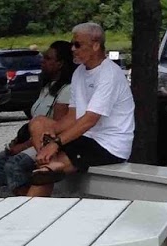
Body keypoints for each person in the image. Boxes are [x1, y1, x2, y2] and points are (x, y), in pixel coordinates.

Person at [28, 21, 135, 193]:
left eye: (77, 45)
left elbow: (90, 120)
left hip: (109, 145)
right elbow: (73, 117)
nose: (72, 49)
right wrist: (51, 133)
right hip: (85, 139)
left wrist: (55, 143)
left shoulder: (109, 74)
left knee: (42, 175)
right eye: (72, 44)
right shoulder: (79, 72)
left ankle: (49, 167)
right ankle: (50, 163)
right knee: (38, 123)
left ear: (95, 45)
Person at [0, 41, 75, 192]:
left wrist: (22, 146)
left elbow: (56, 128)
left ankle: (27, 199)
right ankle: (9, 196)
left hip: (46, 142)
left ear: (60, 64)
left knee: (15, 164)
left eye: (48, 58)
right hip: (33, 139)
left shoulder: (66, 90)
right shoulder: (47, 87)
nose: (43, 61)